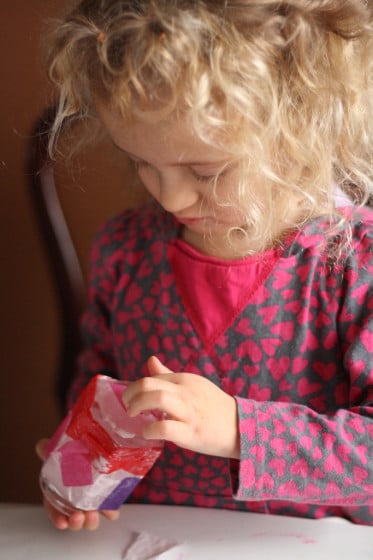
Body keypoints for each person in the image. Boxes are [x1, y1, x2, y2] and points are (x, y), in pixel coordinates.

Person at [36, 0, 373, 531]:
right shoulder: (125, 250)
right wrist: (87, 464)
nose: (169, 198)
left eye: (206, 170)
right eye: (142, 162)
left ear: (301, 130)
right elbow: (100, 382)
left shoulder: (355, 266)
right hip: (151, 536)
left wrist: (240, 429)